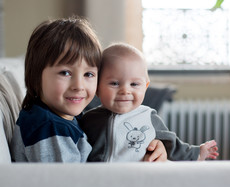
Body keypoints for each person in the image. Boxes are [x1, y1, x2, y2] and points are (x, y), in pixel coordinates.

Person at [10, 18, 165, 163]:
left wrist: (152, 147)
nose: (79, 85)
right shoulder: (49, 128)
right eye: (65, 73)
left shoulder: (66, 117)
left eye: (88, 74)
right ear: (36, 75)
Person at [80, 43, 219, 162]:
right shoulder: (88, 119)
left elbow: (171, 142)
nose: (125, 90)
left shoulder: (147, 116)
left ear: (145, 88)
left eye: (134, 84)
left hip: (139, 179)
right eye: (114, 83)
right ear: (97, 88)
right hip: (101, 180)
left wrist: (196, 153)